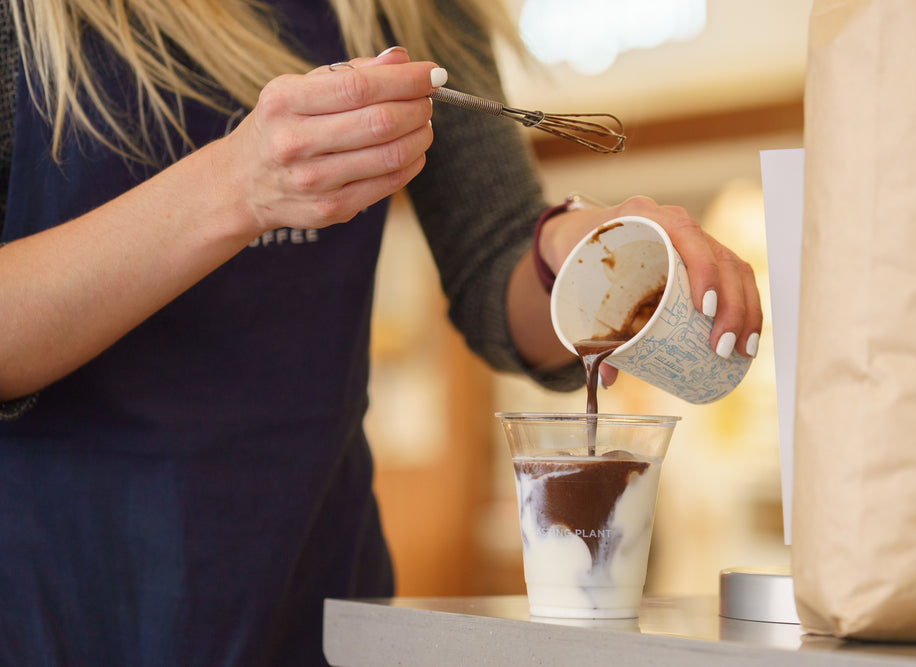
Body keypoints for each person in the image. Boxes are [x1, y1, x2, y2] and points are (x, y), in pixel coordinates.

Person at [0, 0, 762, 664]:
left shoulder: (405, 7)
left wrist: (574, 247)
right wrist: (240, 185)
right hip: (53, 607)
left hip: (313, 601)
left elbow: (494, 258)